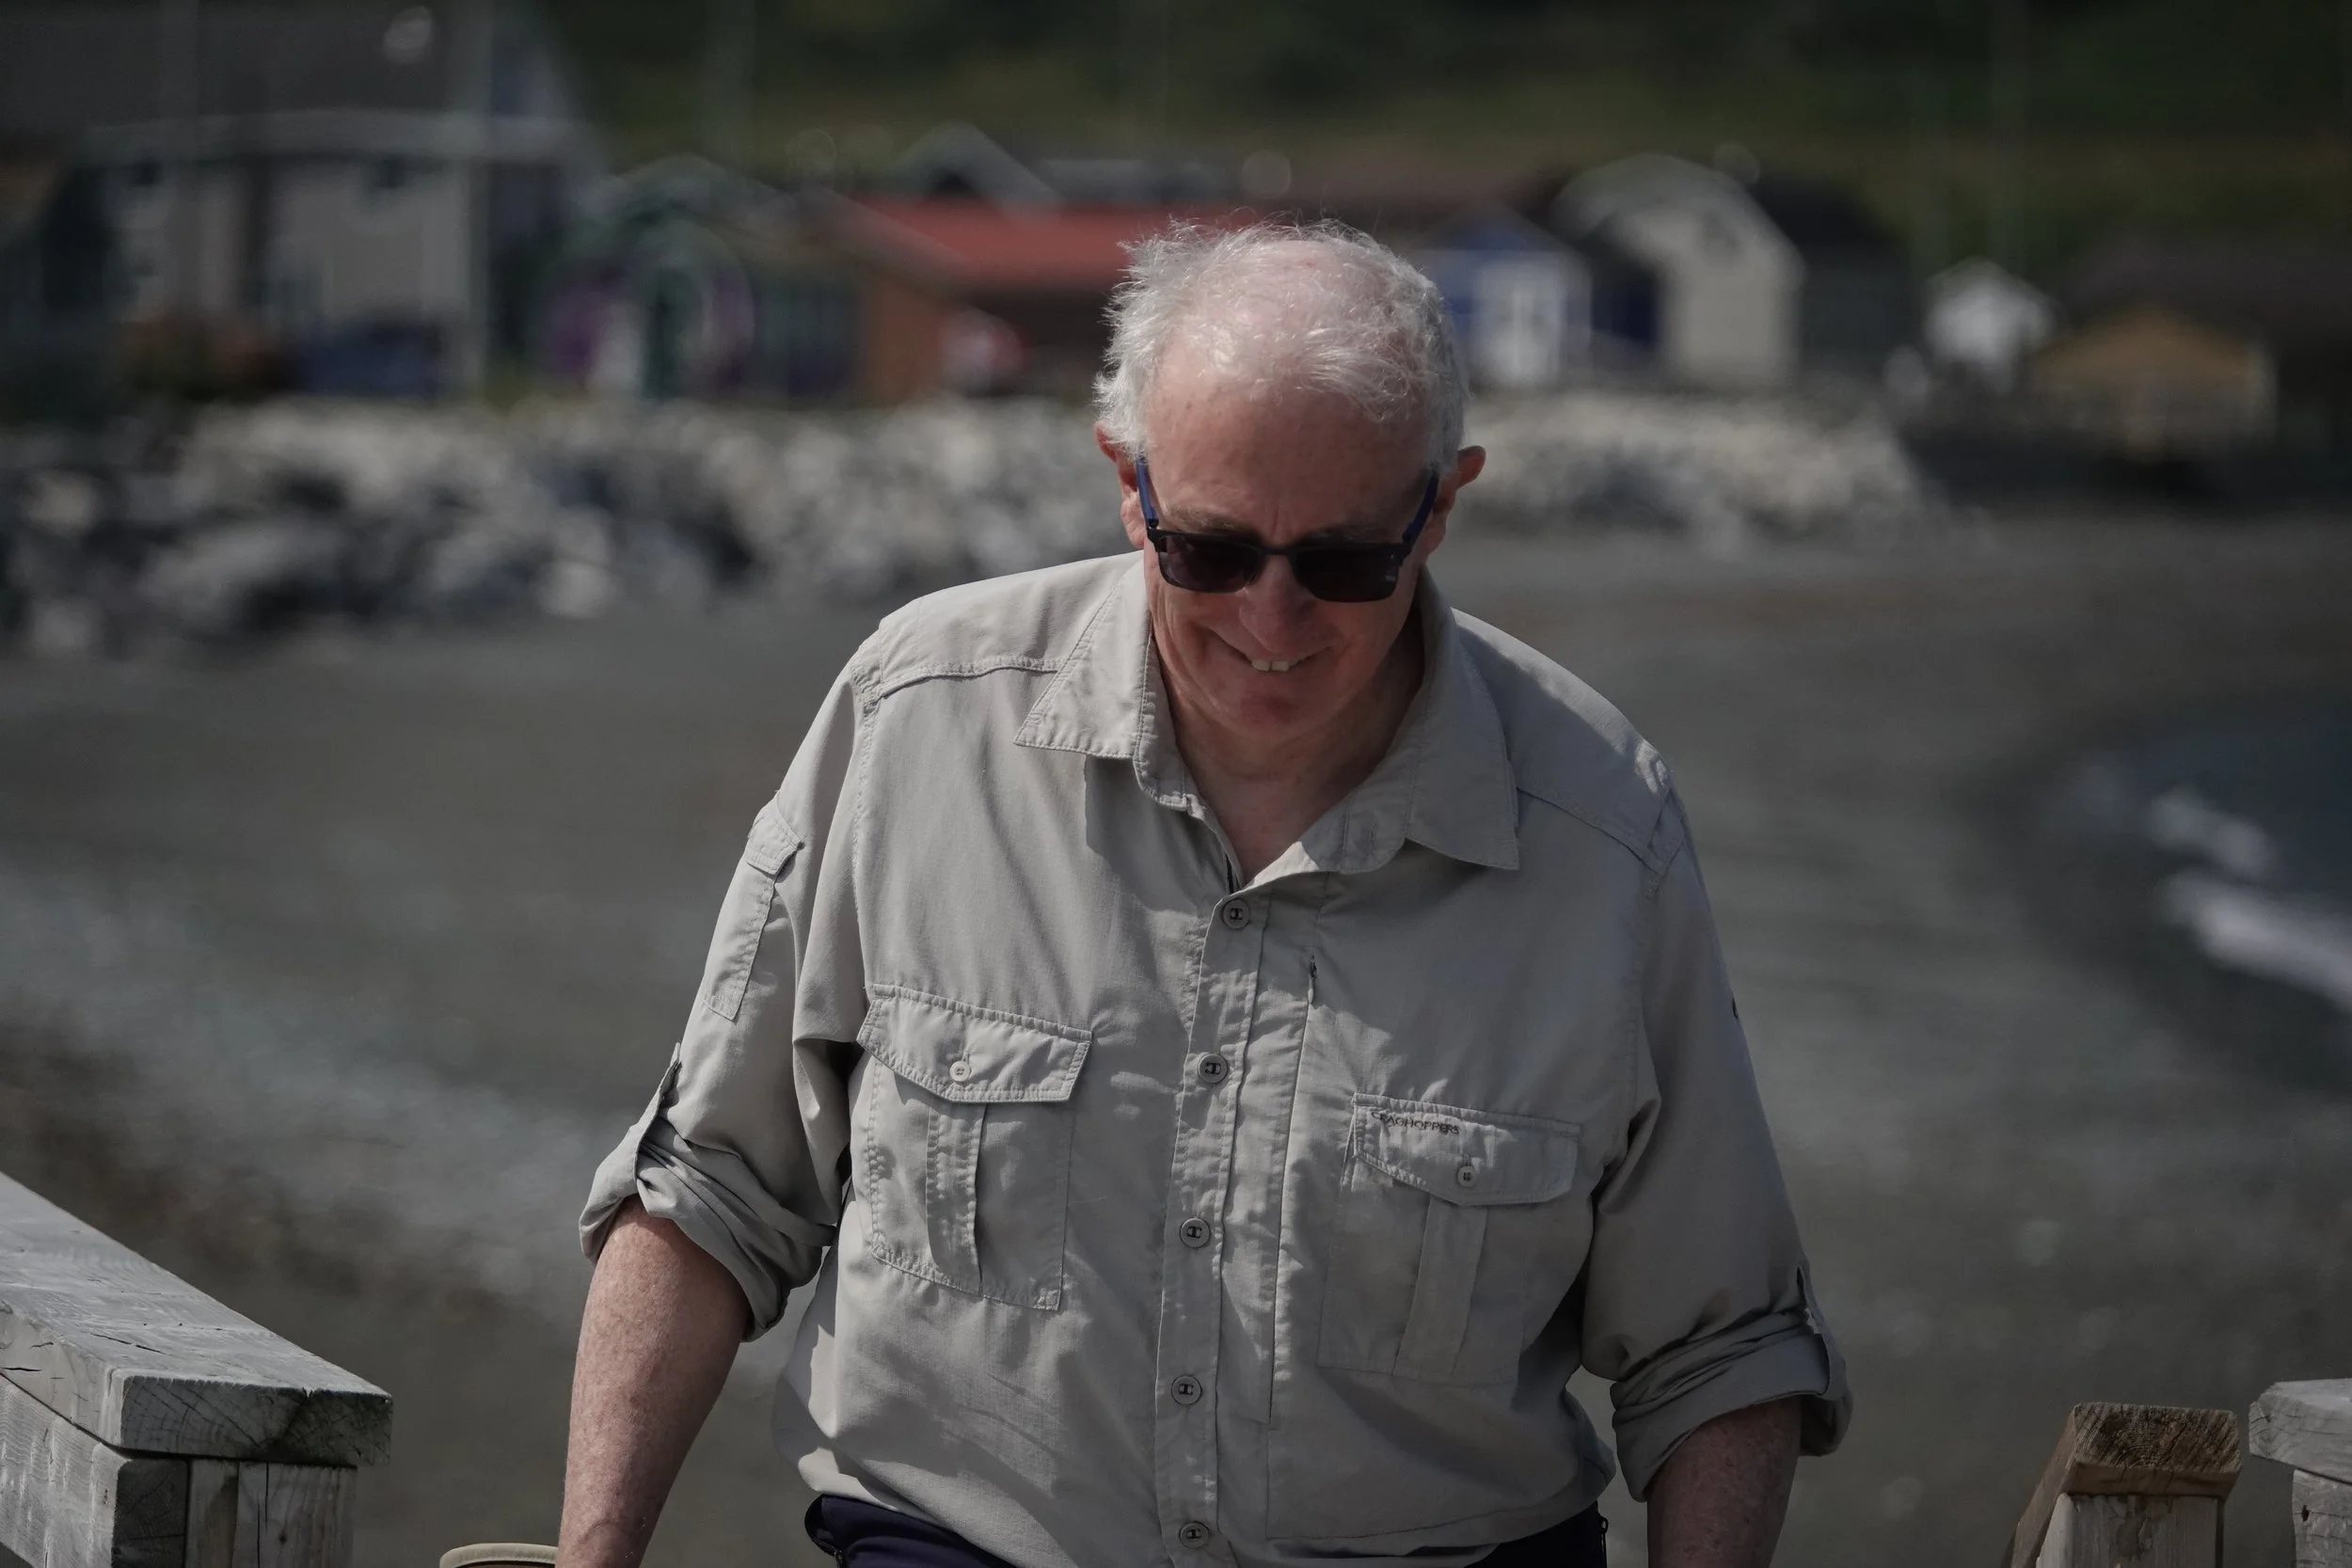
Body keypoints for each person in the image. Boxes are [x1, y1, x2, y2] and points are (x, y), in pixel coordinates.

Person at [564, 222, 1850, 1568]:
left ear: (1444, 504)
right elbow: (708, 1189)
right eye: (1216, 550)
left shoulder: (1601, 832)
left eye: (1346, 560)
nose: (1274, 618)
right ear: (1131, 485)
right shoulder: (916, 721)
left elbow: (1721, 1352)